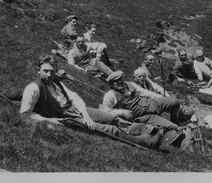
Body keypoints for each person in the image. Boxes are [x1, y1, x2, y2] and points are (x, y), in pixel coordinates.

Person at [20, 55, 161, 149]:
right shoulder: (34, 88)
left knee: (110, 118)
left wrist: (86, 115)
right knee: (106, 128)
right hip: (64, 117)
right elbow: (25, 114)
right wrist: (51, 121)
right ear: (38, 71)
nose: (49, 74)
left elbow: (74, 97)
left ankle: (140, 129)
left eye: (52, 71)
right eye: (45, 71)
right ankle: (143, 142)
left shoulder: (55, 81)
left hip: (73, 109)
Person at [101, 71, 182, 131]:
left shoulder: (129, 84)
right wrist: (121, 112)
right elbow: (105, 111)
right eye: (116, 81)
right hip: (143, 116)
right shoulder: (110, 95)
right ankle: (175, 126)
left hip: (151, 104)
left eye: (120, 79)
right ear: (111, 84)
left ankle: (174, 119)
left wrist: (161, 97)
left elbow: (145, 92)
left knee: (175, 102)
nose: (119, 82)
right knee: (175, 127)